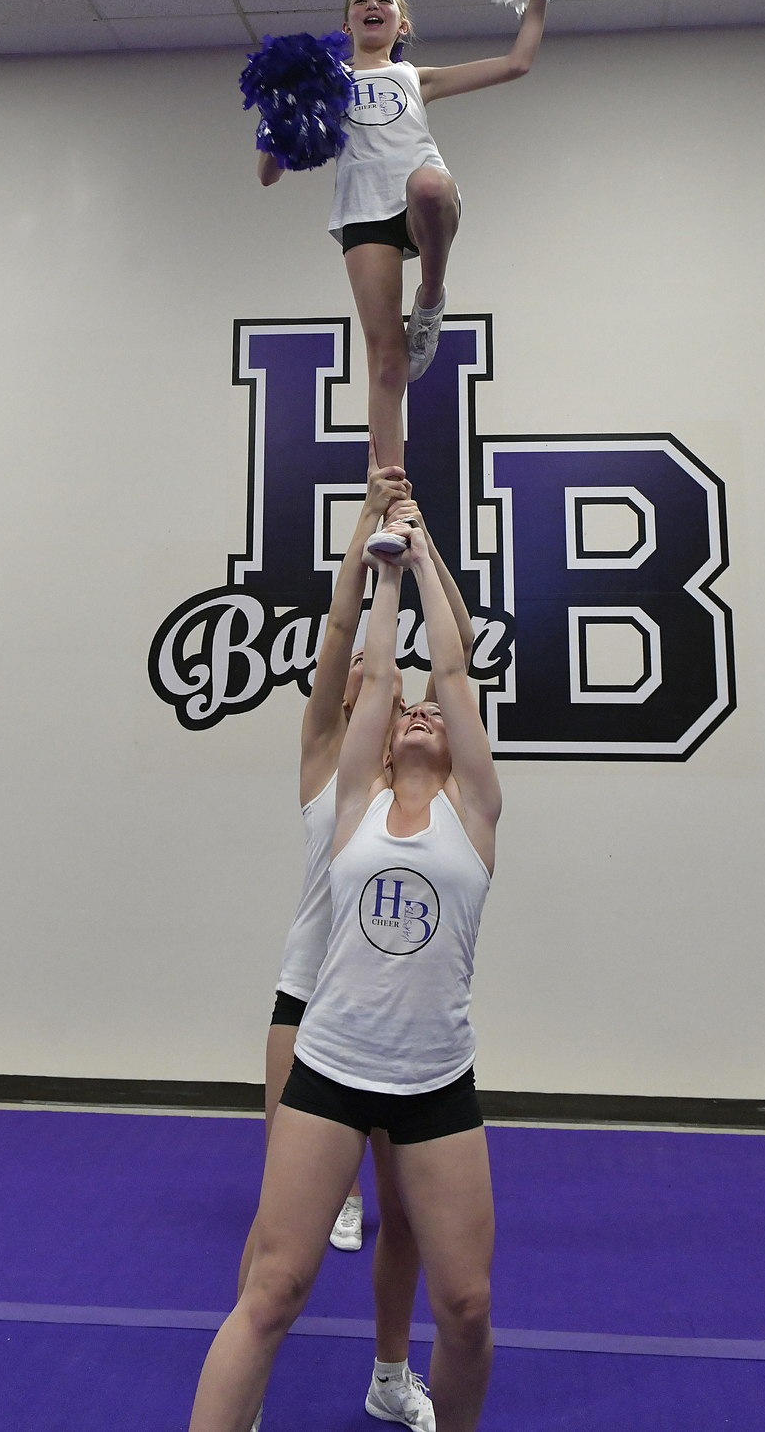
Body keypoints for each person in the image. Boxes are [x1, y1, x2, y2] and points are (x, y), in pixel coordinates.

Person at [190, 516, 501, 1432]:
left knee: (469, 1308)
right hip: (329, 1069)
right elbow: (374, 679)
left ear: (458, 751)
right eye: (404, 711)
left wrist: (424, 555)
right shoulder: (353, 806)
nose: (418, 714)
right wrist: (385, 579)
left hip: (435, 1081)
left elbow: (451, 671)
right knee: (273, 1288)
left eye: (434, 716)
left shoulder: (474, 816)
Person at [256, 0, 548, 474]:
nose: (373, 5)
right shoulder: (324, 82)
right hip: (361, 212)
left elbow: (516, 63)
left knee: (430, 186)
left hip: (421, 200)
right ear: (345, 24)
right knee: (387, 363)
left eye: (384, 1)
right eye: (361, 1)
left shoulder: (416, 77)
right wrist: (281, 110)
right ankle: (392, 497)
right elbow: (267, 174)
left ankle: (430, 299)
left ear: (401, 24)